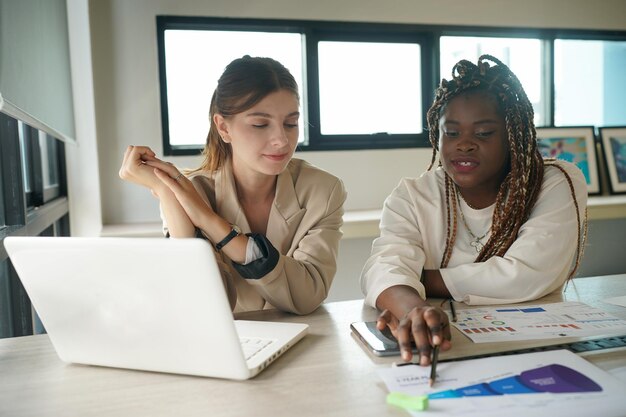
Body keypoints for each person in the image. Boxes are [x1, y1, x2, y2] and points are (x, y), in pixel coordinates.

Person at [360, 55, 587, 365]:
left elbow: (526, 275)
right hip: (450, 344)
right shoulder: (412, 195)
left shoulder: (554, 182)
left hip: (537, 346)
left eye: (483, 133)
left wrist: (416, 280)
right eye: (451, 133)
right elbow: (384, 266)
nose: (464, 144)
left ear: (512, 135)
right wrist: (413, 308)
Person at [119, 56, 346, 315]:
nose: (282, 140)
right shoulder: (191, 192)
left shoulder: (324, 191)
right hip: (230, 346)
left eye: (291, 123)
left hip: (306, 341)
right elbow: (204, 305)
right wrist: (166, 193)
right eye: (260, 124)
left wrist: (210, 221)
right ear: (223, 127)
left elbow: (307, 296)